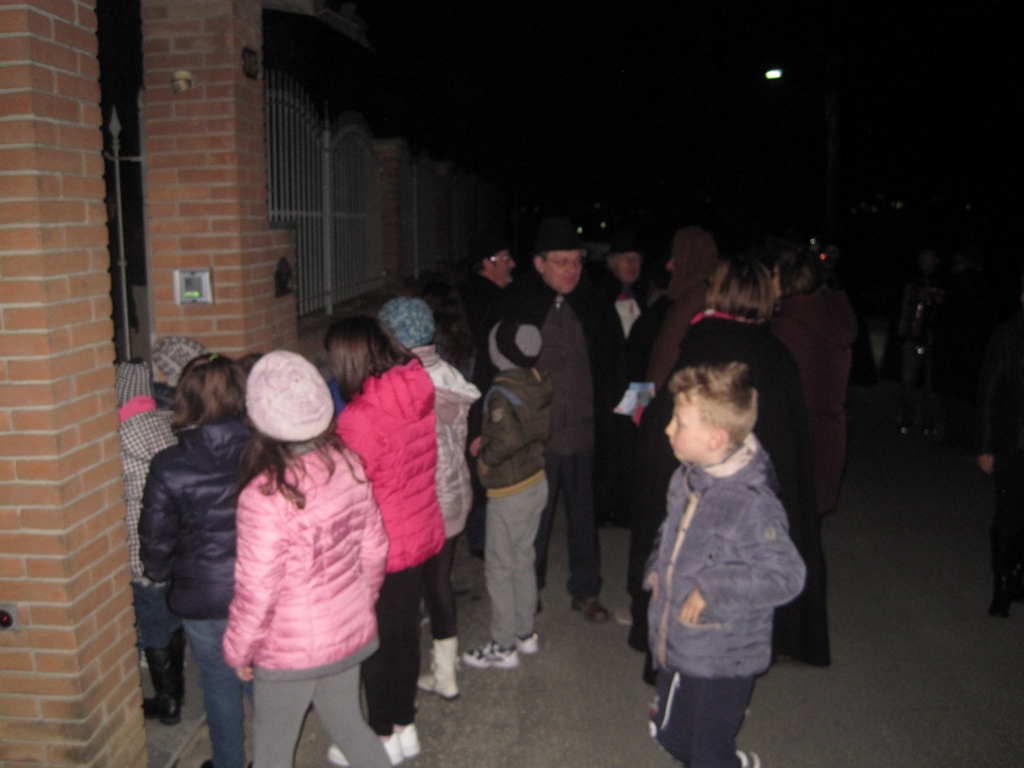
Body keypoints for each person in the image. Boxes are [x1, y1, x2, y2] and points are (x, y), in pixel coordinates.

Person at [628, 256, 826, 680]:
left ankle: (679, 665)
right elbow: (790, 449)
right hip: (753, 496)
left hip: (698, 490)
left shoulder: (701, 342)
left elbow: (660, 411)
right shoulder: (775, 353)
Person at [223, 351, 390, 768]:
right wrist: (359, 603)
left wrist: (239, 650)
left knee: (273, 752)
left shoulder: (264, 495)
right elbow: (375, 548)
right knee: (350, 726)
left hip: (288, 649)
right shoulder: (347, 464)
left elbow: (258, 590)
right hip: (346, 631)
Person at [646, 362, 806, 768]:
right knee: (669, 735)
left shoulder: (751, 504)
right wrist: (656, 569)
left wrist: (713, 588)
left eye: (679, 423)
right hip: (681, 639)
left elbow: (786, 576)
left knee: (706, 752)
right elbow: (670, 532)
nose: (668, 429)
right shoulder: (687, 478)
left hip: (725, 654)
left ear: (715, 439)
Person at [325, 316, 446, 766]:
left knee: (375, 641)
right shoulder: (414, 391)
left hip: (379, 545)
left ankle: (379, 735)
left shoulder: (360, 417)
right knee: (404, 633)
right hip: (418, 530)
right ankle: (403, 725)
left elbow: (348, 491)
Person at [500, 215, 623, 622]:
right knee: (533, 519)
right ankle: (528, 588)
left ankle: (586, 590)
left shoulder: (593, 305)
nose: (571, 270)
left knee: (585, 518)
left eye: (577, 262)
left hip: (584, 432)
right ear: (539, 263)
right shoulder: (519, 305)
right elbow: (499, 375)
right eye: (561, 262)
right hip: (539, 438)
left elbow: (612, 366)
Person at [139, 353, 252, 768]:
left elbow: (156, 540)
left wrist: (158, 575)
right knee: (262, 677)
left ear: (184, 399)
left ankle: (228, 763)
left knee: (218, 682)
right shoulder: (264, 450)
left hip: (203, 596)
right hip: (261, 589)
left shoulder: (170, 466)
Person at [377, 297, 481, 700]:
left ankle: (401, 688)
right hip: (453, 493)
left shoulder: (404, 383)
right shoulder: (449, 374)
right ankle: (445, 673)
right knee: (439, 583)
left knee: (403, 594)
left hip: (420, 501)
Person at [462, 320, 553, 669]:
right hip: (535, 481)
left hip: (510, 490)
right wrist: (488, 438)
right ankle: (525, 633)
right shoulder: (537, 382)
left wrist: (485, 460)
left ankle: (503, 645)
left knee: (499, 567)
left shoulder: (501, 391)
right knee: (522, 558)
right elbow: (523, 427)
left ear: (499, 354)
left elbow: (509, 439)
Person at [116, 362, 183, 725]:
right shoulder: (167, 425)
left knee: (153, 625)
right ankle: (179, 689)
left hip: (140, 550)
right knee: (171, 618)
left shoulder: (120, 437)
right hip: (173, 545)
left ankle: (168, 702)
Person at [771, 246, 858, 516]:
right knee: (809, 520)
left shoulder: (788, 324)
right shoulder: (833, 315)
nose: (770, 281)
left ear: (789, 278)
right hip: (829, 431)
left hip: (796, 435)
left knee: (789, 523)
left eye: (774, 274)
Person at [461, 232, 516, 557]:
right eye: (505, 258)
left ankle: (480, 536)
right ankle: (483, 539)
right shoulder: (492, 302)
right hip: (485, 397)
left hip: (474, 395)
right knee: (485, 464)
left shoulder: (471, 296)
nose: (512, 264)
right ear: (488, 263)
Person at [976, 272, 1024, 617]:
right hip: (1014, 443)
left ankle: (1019, 575)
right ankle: (1002, 583)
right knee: (1010, 513)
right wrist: (985, 445)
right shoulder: (1008, 335)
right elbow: (990, 391)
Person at [646, 226, 719, 392]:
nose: (669, 266)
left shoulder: (692, 303)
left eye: (677, 257)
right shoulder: (692, 298)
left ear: (690, 260)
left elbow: (665, 365)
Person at [897, 248, 945, 436]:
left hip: (933, 340)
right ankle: (908, 417)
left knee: (930, 386)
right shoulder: (912, 282)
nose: (926, 263)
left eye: (930, 259)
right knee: (907, 381)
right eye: (923, 259)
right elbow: (904, 310)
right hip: (912, 339)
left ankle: (930, 422)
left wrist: (933, 298)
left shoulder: (942, 283)